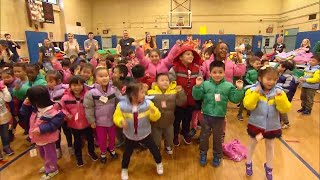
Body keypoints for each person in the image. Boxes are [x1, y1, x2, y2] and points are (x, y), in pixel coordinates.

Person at [192, 61, 244, 167]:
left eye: (220, 72)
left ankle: (217, 155)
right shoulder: (205, 84)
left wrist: (239, 89)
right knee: (204, 137)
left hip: (219, 118)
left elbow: (235, 99)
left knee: (217, 138)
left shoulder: (228, 86)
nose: (217, 75)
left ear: (224, 73)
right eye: (214, 72)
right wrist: (197, 87)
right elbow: (197, 97)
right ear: (210, 73)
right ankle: (203, 154)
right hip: (206, 116)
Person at [243, 67, 291, 180]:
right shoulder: (252, 90)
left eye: (274, 79)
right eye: (268, 79)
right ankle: (248, 163)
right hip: (256, 125)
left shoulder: (279, 92)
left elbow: (285, 109)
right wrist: (255, 93)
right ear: (260, 78)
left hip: (272, 126)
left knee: (270, 146)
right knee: (252, 144)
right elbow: (248, 105)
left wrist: (280, 98)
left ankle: (269, 168)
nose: (271, 82)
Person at [113, 82, 163, 180]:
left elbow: (155, 117)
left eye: (144, 92)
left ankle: (159, 163)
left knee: (154, 150)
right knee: (127, 153)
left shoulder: (148, 104)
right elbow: (116, 116)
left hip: (145, 134)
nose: (144, 95)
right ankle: (124, 168)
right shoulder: (122, 105)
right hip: (129, 135)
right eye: (141, 93)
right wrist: (120, 121)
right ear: (132, 95)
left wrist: (154, 113)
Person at [27, 85, 64, 180]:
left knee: (49, 154)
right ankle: (49, 165)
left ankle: (52, 169)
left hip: (47, 138)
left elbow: (54, 124)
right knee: (43, 154)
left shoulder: (53, 110)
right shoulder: (36, 108)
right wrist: (24, 105)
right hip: (38, 138)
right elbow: (22, 113)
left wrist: (41, 129)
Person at [60, 75, 98, 167]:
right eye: (74, 85)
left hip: (87, 123)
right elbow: (62, 108)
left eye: (80, 85)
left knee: (90, 139)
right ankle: (79, 157)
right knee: (77, 142)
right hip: (74, 125)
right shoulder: (65, 98)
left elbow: (93, 106)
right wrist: (66, 114)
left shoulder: (88, 95)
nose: (77, 87)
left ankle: (91, 152)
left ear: (83, 85)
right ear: (70, 86)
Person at [168, 46, 203, 145]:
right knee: (176, 120)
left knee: (187, 119)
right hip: (178, 101)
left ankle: (185, 133)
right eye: (187, 54)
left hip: (191, 100)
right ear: (180, 57)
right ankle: (175, 135)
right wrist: (175, 87)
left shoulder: (197, 69)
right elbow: (170, 82)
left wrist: (200, 85)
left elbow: (201, 81)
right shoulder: (174, 69)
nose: (190, 56)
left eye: (192, 54)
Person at [84, 67, 119, 164]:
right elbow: (88, 108)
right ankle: (103, 152)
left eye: (106, 75)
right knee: (101, 139)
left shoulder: (114, 90)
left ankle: (111, 149)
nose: (104, 78)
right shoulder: (91, 93)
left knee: (112, 137)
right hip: (99, 122)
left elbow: (119, 103)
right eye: (101, 76)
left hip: (112, 120)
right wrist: (91, 121)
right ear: (95, 79)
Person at [147, 73, 187, 154]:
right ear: (156, 82)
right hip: (155, 122)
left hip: (169, 121)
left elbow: (181, 102)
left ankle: (168, 146)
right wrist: (144, 92)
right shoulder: (150, 93)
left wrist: (181, 92)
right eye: (162, 80)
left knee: (169, 136)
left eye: (167, 80)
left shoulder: (173, 92)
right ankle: (156, 147)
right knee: (156, 137)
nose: (165, 82)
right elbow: (144, 104)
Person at [277, 61, 298, 129]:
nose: (278, 67)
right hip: (280, 93)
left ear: (284, 68)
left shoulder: (289, 76)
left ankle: (286, 123)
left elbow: (288, 86)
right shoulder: (281, 74)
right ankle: (278, 121)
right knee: (278, 108)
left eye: (279, 66)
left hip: (286, 95)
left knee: (282, 109)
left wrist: (277, 85)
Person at [0, 81, 14, 159]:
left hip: (4, 116)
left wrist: (4, 89)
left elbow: (8, 99)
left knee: (5, 133)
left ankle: (6, 147)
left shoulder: (2, 90)